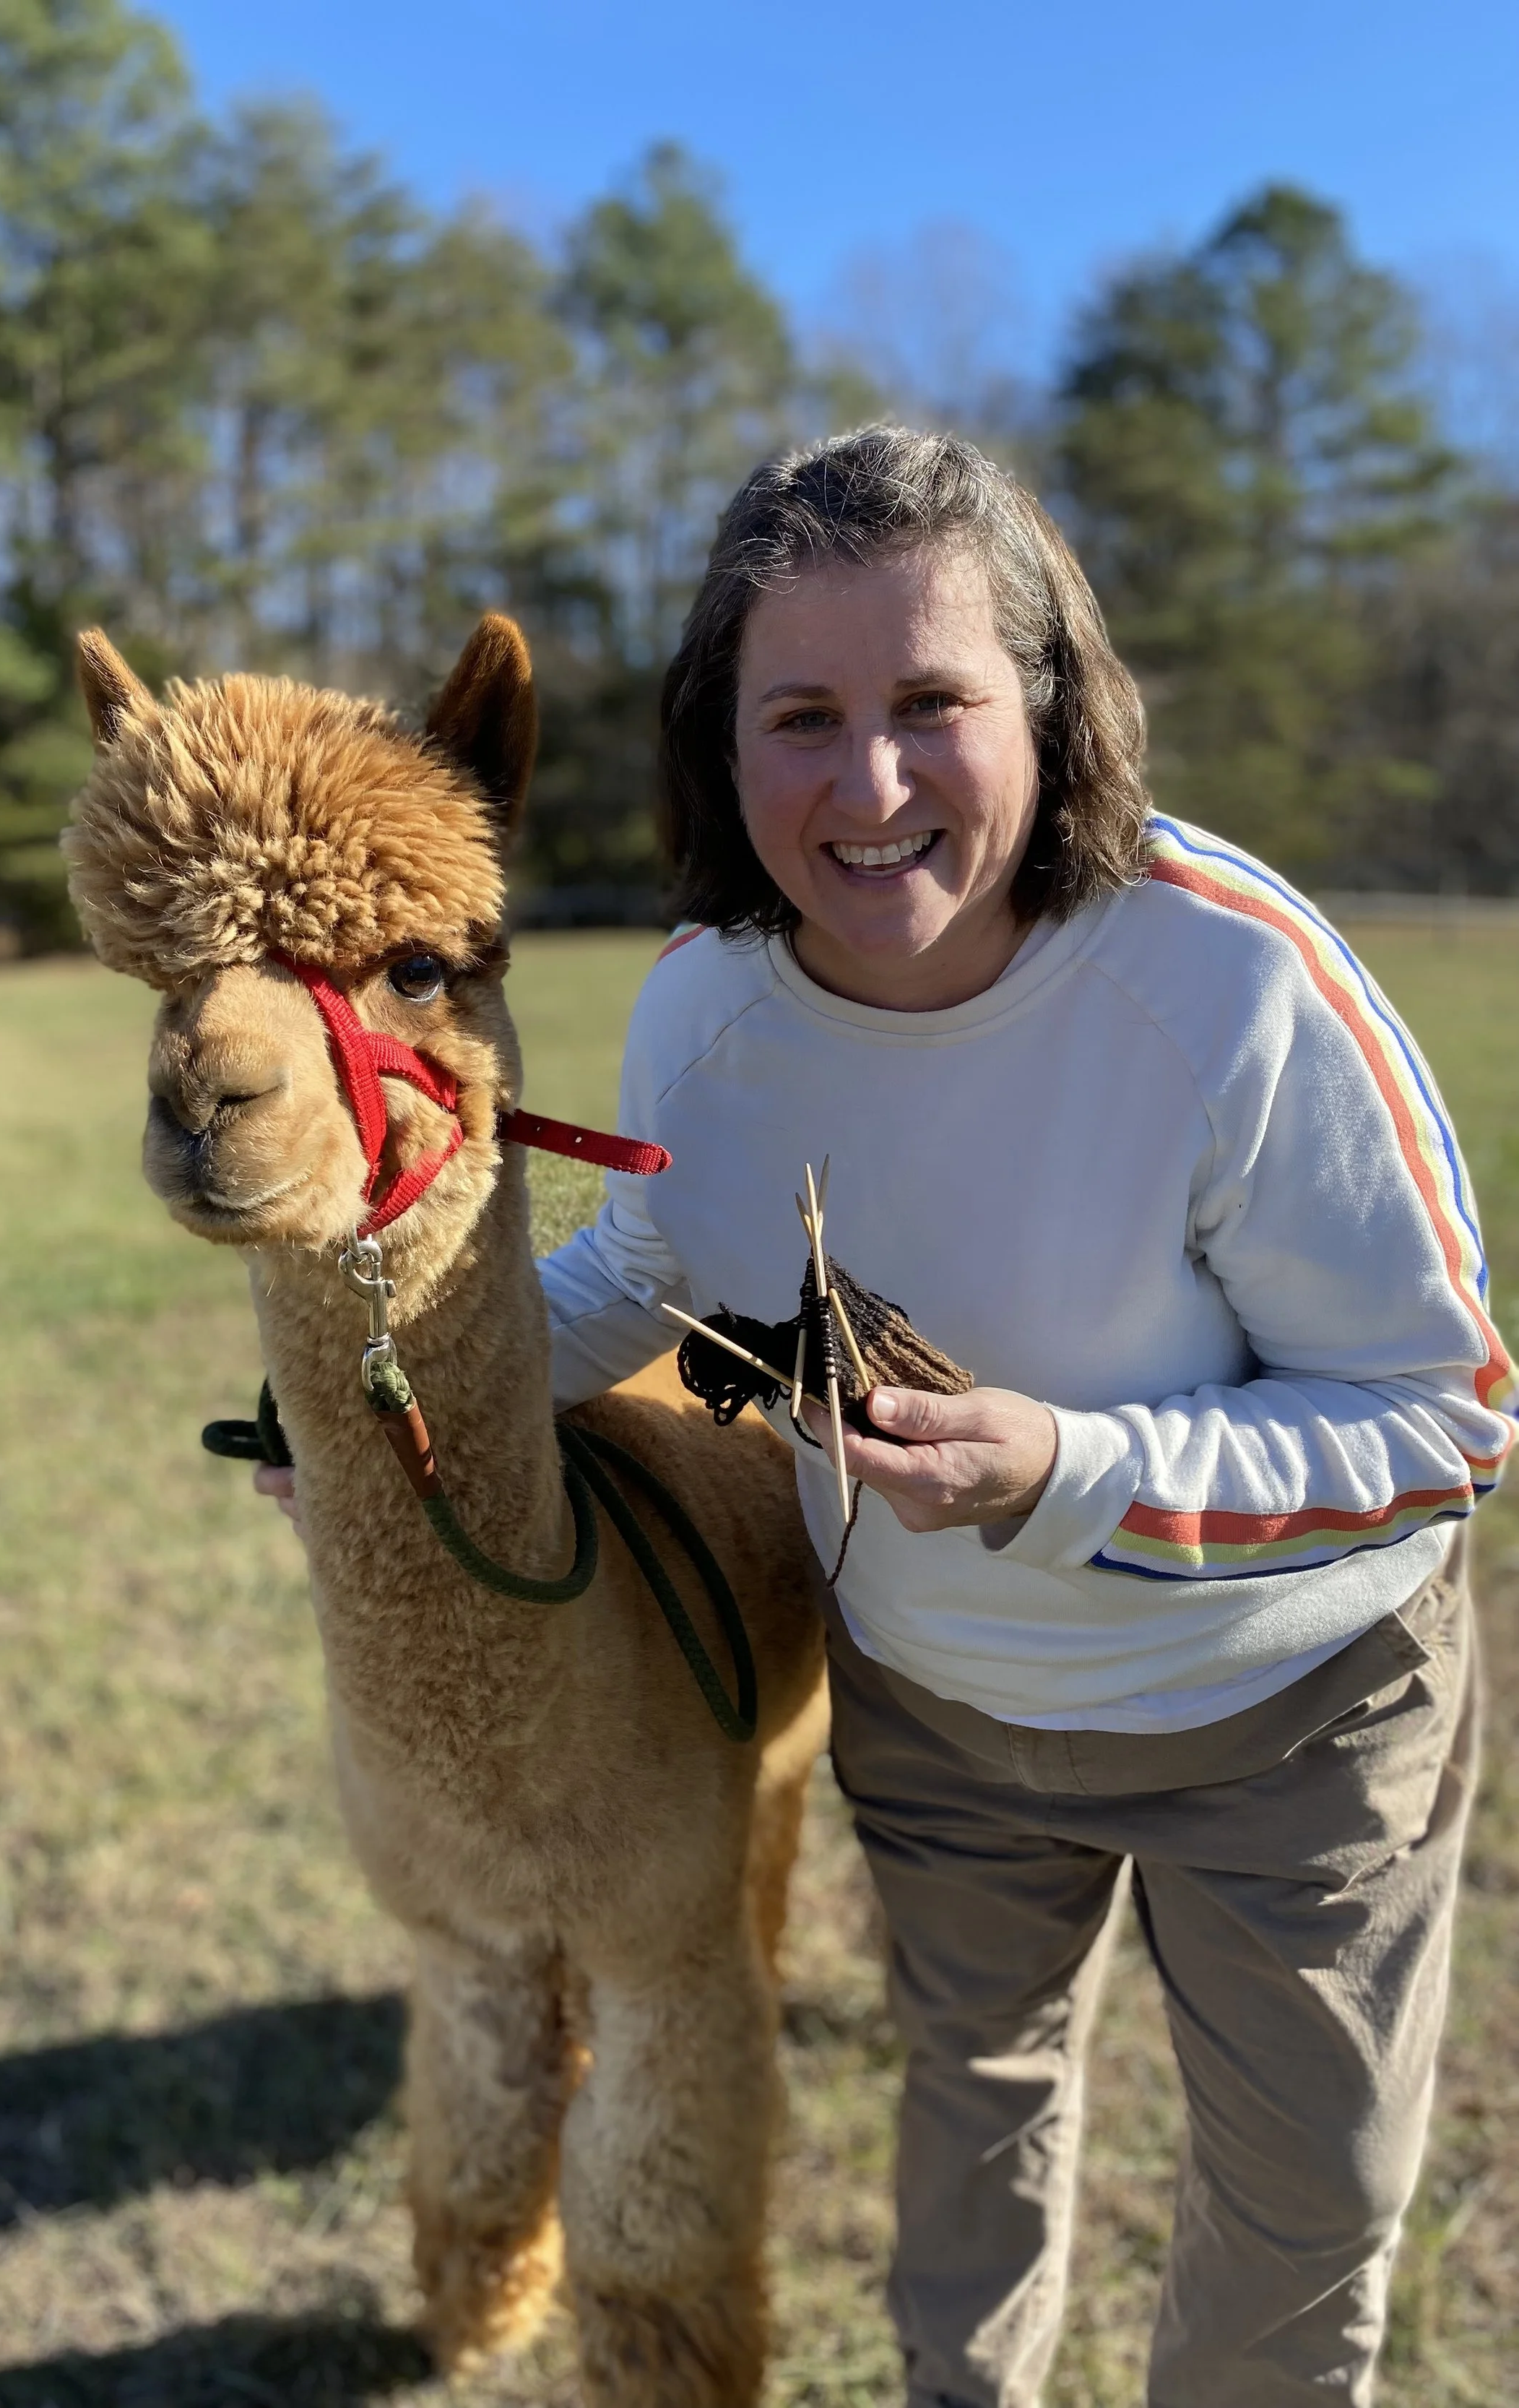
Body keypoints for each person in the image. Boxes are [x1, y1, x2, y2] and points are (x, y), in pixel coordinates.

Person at [262, 426, 1515, 2407]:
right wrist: (379, 1417)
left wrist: (1067, 1470)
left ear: (1051, 702)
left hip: (1282, 1709)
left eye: (932, 702)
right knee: (970, 2129)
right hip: (940, 1711)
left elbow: (1436, 1424)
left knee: (1299, 2215)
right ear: (717, 737)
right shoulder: (709, 1008)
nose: (866, 785)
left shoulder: (1229, 988)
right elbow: (647, 1271)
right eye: (800, 714)